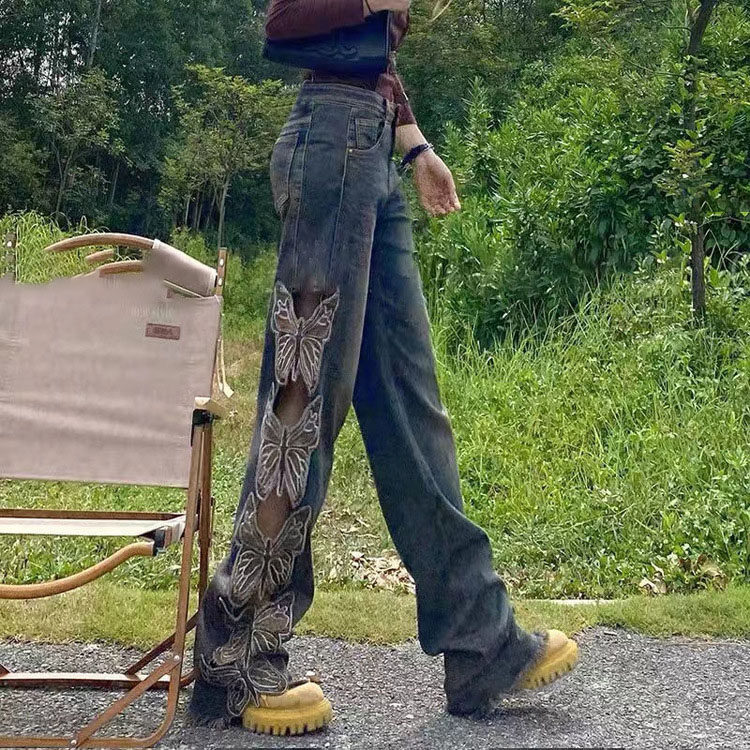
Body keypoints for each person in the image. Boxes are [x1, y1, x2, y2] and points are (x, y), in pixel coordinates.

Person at [188, 0, 579, 735]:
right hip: (330, 145)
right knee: (300, 405)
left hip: (370, 150)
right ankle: (236, 654)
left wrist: (416, 146)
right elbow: (282, 20)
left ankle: (479, 639)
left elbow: (375, 62)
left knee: (411, 406)